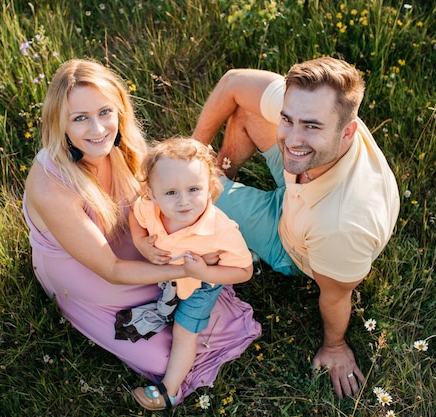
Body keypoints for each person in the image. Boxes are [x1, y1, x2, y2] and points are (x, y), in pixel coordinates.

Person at [22, 59, 261, 406]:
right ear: (61, 125)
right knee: (165, 357)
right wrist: (192, 268)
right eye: (79, 118)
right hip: (94, 275)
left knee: (194, 318)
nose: (97, 128)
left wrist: (158, 244)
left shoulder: (124, 146)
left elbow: (153, 200)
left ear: (119, 109)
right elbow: (112, 271)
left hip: (136, 247)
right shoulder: (50, 186)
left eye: (105, 112)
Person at [192, 57, 400, 399]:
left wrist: (335, 346)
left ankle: (215, 200)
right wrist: (193, 153)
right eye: (287, 119)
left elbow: (336, 296)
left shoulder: (341, 227)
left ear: (348, 131)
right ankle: (215, 174)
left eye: (311, 127)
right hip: (299, 197)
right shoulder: (310, 113)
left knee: (181, 196)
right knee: (246, 112)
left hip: (295, 242)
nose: (291, 138)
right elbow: (233, 82)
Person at [124, 137, 254, 410]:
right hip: (169, 274)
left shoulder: (221, 231)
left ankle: (169, 391)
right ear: (153, 193)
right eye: (171, 192)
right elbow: (135, 215)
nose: (183, 202)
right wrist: (139, 241)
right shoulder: (150, 208)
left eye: (194, 189)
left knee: (184, 331)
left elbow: (244, 271)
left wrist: (206, 271)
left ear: (211, 188)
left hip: (201, 285)